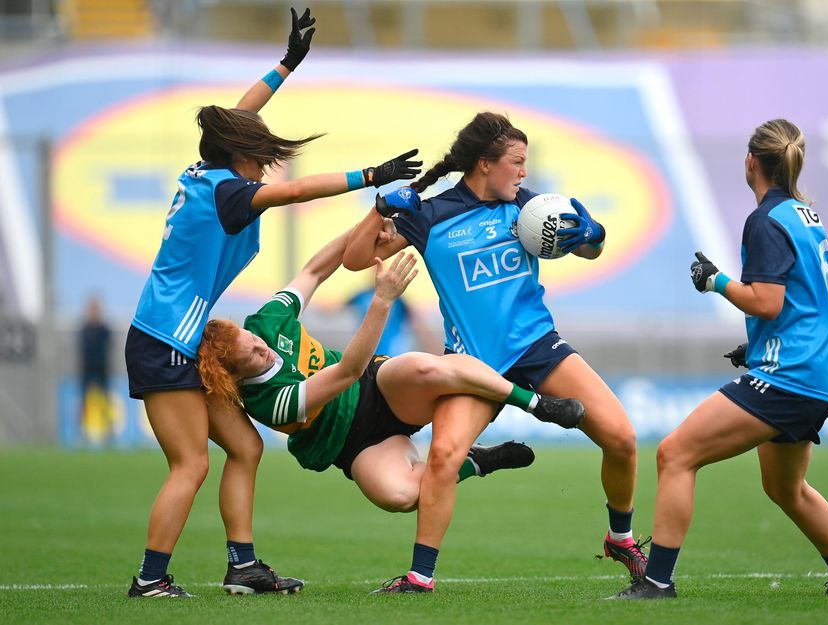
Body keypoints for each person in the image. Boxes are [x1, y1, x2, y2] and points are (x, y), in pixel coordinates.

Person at [124, 7, 422, 599]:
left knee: (246, 445)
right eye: (258, 154)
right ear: (238, 157)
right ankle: (151, 580)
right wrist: (371, 175)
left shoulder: (207, 170)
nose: (265, 160)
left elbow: (238, 118)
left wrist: (287, 63)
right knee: (191, 465)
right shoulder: (234, 193)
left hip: (174, 338)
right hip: (165, 343)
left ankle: (242, 567)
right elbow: (296, 190)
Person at [342, 112, 644, 594]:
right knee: (442, 455)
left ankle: (621, 538)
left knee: (623, 439)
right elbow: (355, 259)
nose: (524, 172)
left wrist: (593, 234)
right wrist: (379, 208)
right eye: (516, 162)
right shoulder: (431, 215)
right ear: (485, 163)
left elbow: (587, 249)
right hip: (472, 365)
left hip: (539, 348)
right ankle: (420, 577)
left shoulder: (530, 209)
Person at [196, 233, 584, 570]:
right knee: (400, 496)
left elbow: (314, 270)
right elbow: (346, 369)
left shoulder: (264, 322)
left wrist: (368, 220)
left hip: (376, 387)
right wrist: (382, 299)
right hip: (351, 443)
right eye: (252, 356)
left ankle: (535, 404)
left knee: (427, 368)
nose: (261, 347)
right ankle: (476, 462)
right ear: (235, 376)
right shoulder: (267, 402)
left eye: (254, 341)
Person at [611, 119, 828, 600]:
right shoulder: (805, 214)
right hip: (812, 374)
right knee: (785, 489)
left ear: (751, 161)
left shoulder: (766, 219)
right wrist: (755, 347)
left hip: (787, 377)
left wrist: (714, 280)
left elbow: (767, 302)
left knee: (675, 454)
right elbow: (802, 303)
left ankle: (656, 582)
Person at [79, 295, 113, 444]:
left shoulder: (104, 329)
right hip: (87, 369)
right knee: (84, 401)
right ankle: (83, 432)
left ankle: (108, 432)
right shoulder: (84, 329)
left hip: (102, 368)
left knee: (105, 400)